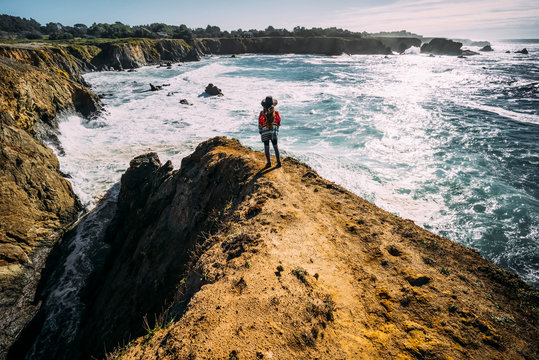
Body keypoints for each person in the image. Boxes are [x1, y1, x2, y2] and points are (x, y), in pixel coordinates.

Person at [258, 96, 281, 168]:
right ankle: (279, 162)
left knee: (266, 147)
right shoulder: (276, 113)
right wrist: (276, 129)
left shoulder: (262, 113)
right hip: (273, 132)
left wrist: (261, 131)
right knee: (275, 147)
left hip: (265, 132)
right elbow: (278, 122)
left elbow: (260, 123)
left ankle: (269, 163)